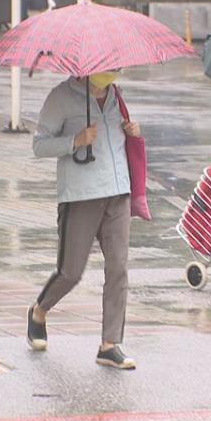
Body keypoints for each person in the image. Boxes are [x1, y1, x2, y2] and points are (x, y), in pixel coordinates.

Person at [27, 71, 141, 370]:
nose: (115, 70)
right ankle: (39, 311)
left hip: (118, 192)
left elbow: (120, 140)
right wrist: (75, 140)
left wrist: (132, 131)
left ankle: (110, 344)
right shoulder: (61, 97)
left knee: (118, 267)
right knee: (71, 272)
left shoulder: (116, 95)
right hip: (81, 195)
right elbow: (39, 146)